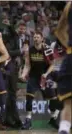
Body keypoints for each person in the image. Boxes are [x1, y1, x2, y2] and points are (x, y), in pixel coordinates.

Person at [20, 32, 58, 130]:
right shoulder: (29, 50)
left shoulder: (47, 49)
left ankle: (53, 118)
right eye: (34, 37)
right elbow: (27, 65)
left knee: (53, 99)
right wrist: (24, 74)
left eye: (37, 37)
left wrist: (46, 74)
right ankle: (28, 120)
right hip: (33, 76)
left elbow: (53, 64)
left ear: (42, 39)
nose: (35, 39)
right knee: (29, 98)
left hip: (45, 76)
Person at [54, 2, 72, 134]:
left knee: (68, 103)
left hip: (70, 56)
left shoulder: (70, 5)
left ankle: (64, 130)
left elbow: (59, 30)